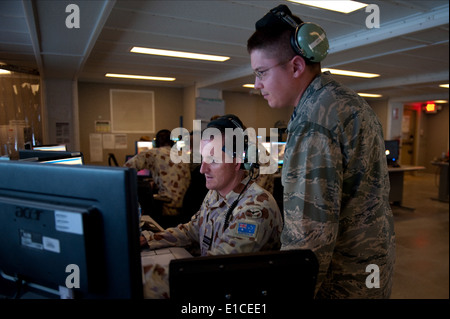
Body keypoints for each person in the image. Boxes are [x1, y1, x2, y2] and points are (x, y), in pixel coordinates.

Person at [247, 4, 395, 299]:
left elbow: (309, 236)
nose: (256, 84)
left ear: (296, 66)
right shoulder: (347, 101)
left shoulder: (314, 119)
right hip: (371, 269)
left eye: (261, 72)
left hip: (340, 282)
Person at [140, 115, 283, 298]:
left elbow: (216, 267)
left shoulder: (256, 208)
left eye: (213, 160)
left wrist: (146, 278)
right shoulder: (215, 192)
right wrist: (150, 239)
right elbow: (193, 229)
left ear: (238, 161)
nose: (202, 169)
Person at [124, 129, 191, 222]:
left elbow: (126, 169)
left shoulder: (153, 153)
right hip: (185, 208)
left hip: (166, 207)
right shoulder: (182, 155)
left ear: (155, 143)